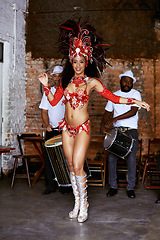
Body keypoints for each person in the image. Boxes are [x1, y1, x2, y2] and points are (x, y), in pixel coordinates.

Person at [38, 19, 150, 223]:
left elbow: (113, 97)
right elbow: (54, 101)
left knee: (79, 165)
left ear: (86, 61)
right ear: (71, 61)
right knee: (71, 165)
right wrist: (46, 85)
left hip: (82, 127)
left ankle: (85, 203)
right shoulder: (66, 82)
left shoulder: (92, 82)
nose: (78, 65)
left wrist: (135, 101)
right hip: (66, 128)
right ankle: (77, 203)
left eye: (82, 61)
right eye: (75, 61)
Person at [101, 70, 145, 199]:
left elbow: (133, 111)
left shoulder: (136, 94)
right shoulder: (114, 95)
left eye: (129, 82)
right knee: (111, 159)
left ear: (132, 84)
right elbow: (107, 113)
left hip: (131, 131)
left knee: (131, 159)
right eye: (125, 81)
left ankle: (130, 188)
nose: (127, 83)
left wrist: (115, 119)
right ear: (120, 81)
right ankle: (113, 187)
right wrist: (102, 126)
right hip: (117, 132)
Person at [39, 65, 65, 195]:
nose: (57, 78)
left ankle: (65, 184)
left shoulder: (67, 91)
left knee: (64, 158)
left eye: (60, 76)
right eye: (55, 76)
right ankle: (50, 184)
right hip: (51, 130)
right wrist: (47, 124)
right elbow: (44, 111)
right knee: (49, 157)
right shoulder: (47, 92)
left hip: (65, 130)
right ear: (52, 78)